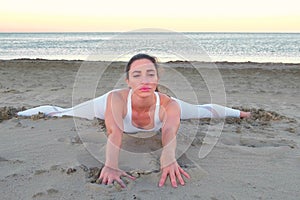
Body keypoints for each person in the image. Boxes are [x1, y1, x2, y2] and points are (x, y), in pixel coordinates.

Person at [17, 53, 250, 188]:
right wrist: (110, 165)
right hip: (103, 107)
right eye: (136, 75)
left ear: (157, 79)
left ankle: (239, 112)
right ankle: (19, 113)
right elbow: (114, 133)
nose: (144, 80)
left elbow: (169, 133)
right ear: (128, 81)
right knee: (63, 112)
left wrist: (168, 160)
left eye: (150, 74)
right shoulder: (116, 99)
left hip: (167, 109)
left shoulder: (169, 104)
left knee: (202, 111)